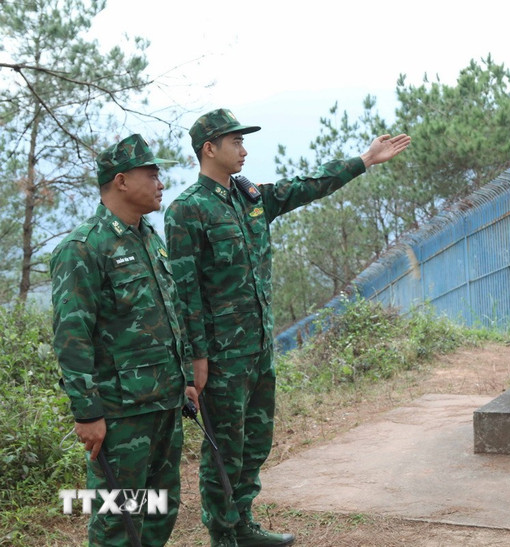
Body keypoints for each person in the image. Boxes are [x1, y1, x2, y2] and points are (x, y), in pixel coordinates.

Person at [164, 108, 410, 547]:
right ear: (210, 148)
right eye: (235, 142)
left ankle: (244, 525)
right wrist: (195, 362)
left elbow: (306, 186)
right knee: (225, 449)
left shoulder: (249, 196)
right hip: (220, 357)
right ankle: (223, 534)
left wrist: (365, 160)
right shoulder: (188, 211)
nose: (243, 149)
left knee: (255, 442)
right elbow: (186, 295)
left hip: (258, 349)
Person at [51, 134, 198, 546]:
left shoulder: (148, 237)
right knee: (119, 519)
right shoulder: (84, 248)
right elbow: (71, 336)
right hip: (119, 414)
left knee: (160, 509)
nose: (160, 182)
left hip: (165, 403)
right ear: (120, 181)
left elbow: (170, 314)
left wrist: (184, 378)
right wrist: (86, 413)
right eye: (151, 174)